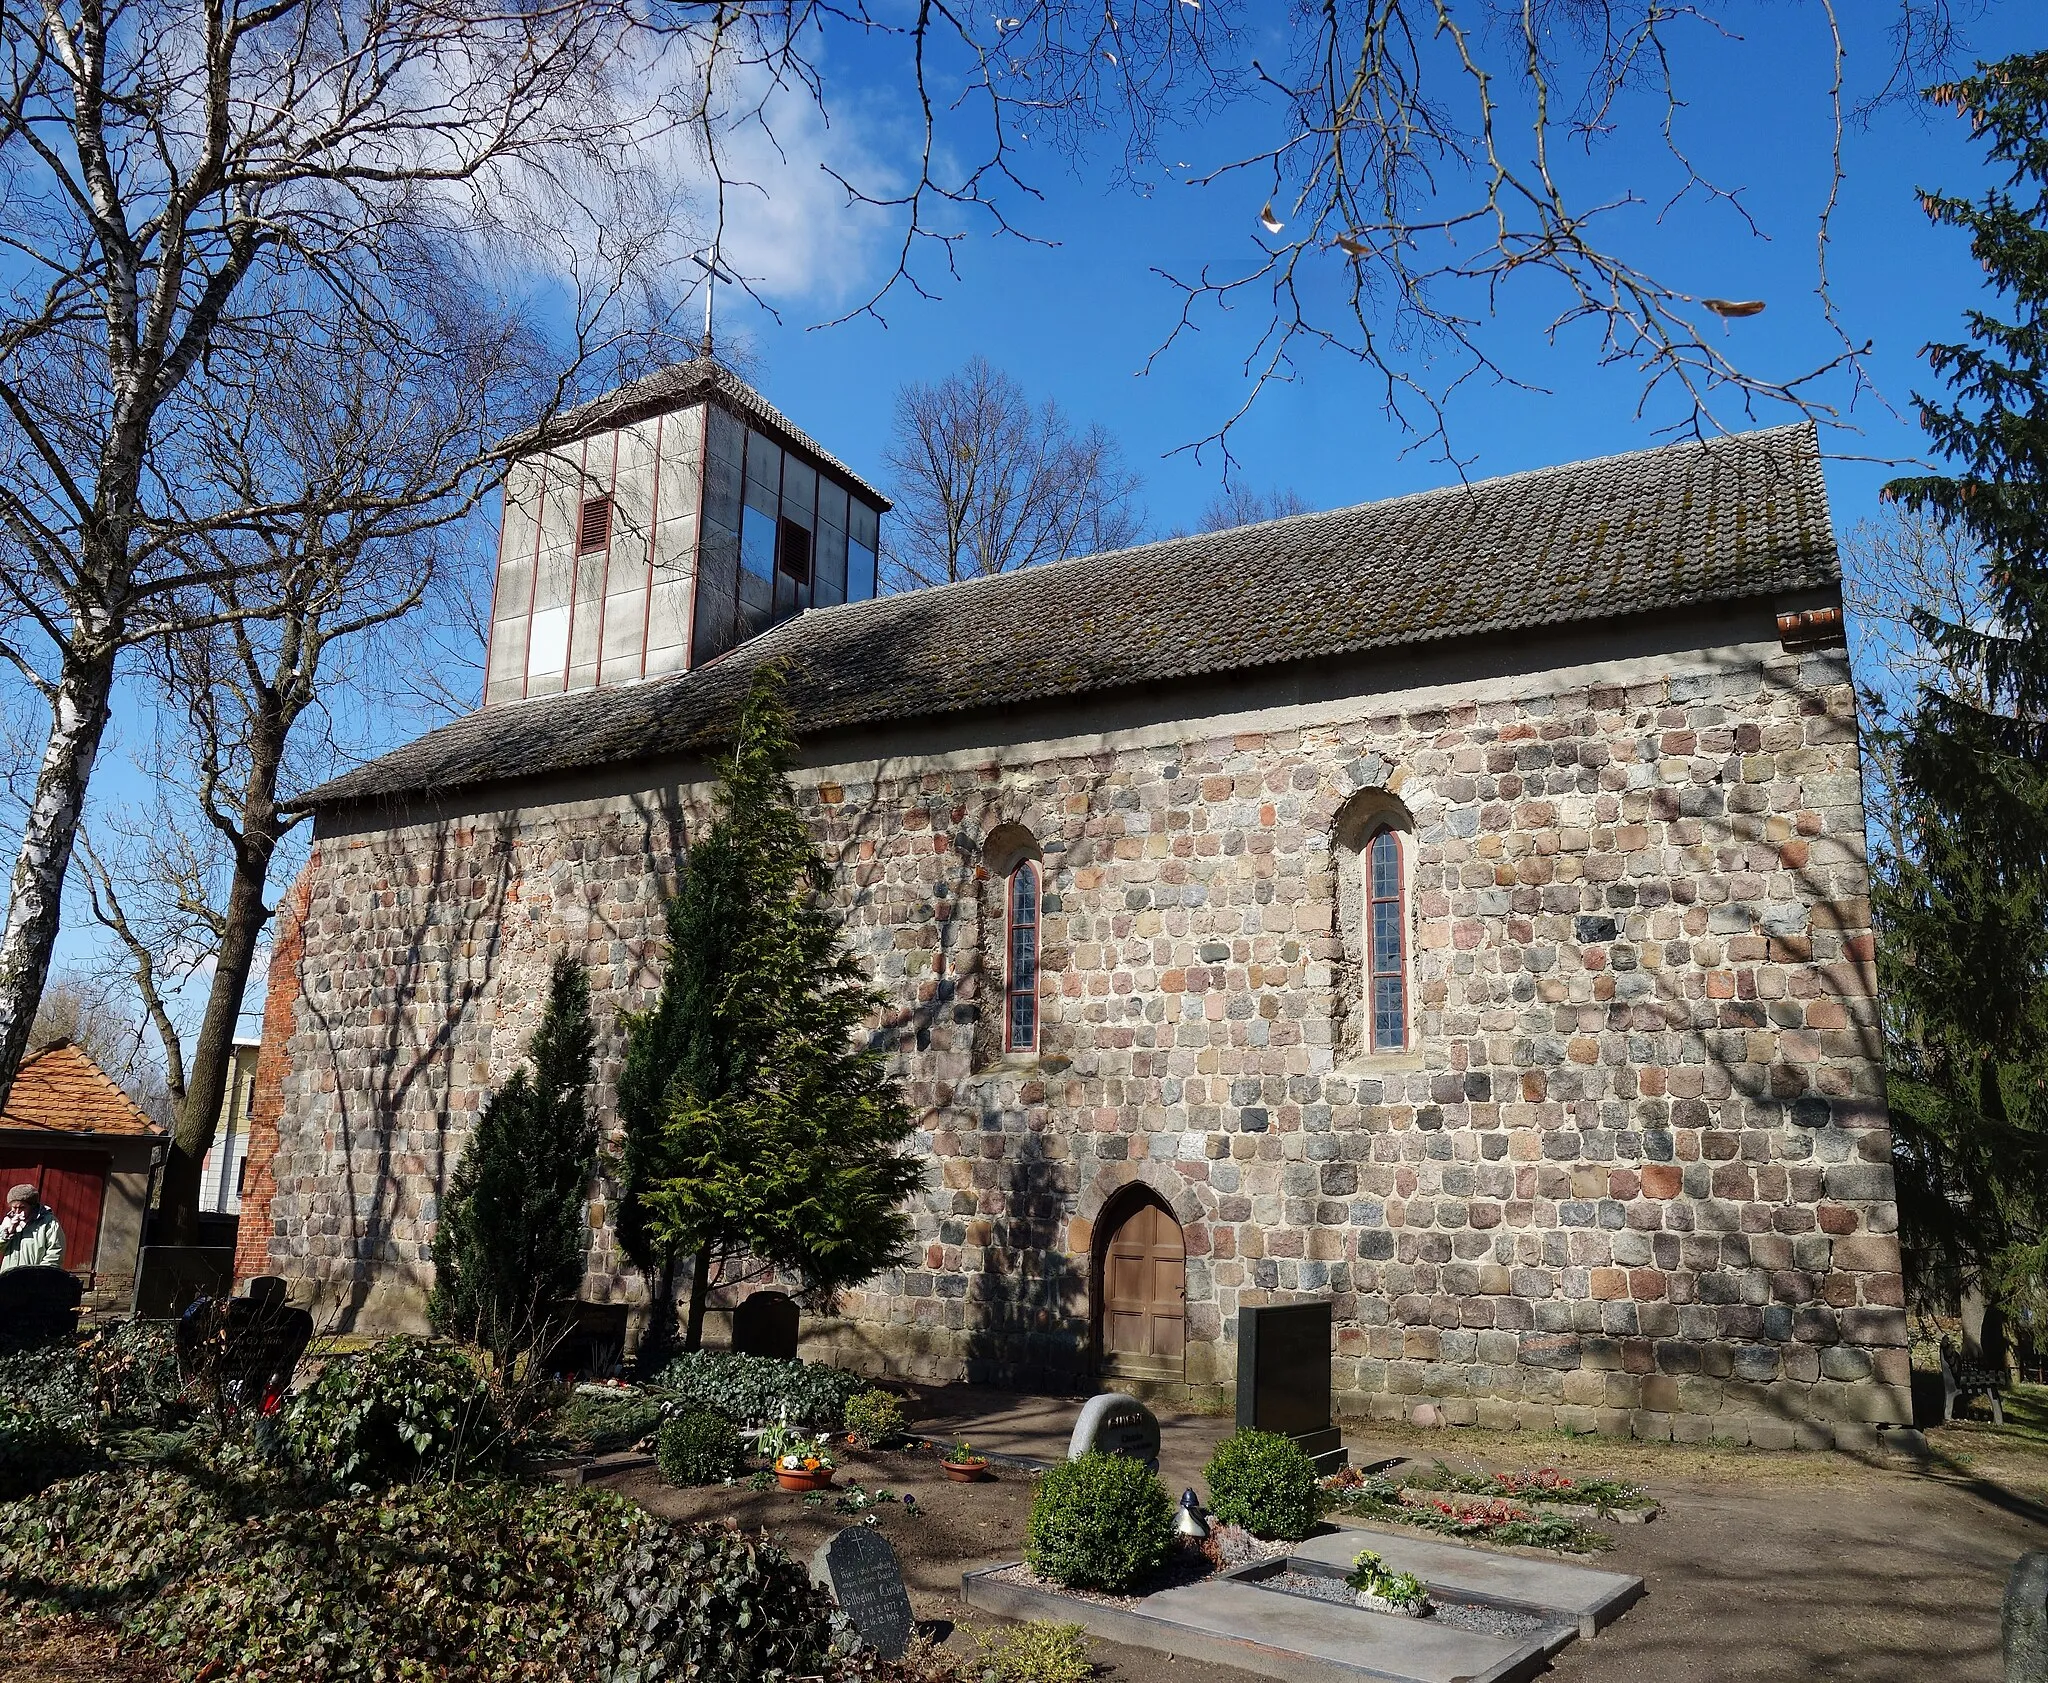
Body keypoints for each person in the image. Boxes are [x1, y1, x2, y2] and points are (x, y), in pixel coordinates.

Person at [0, 1183, 64, 1271]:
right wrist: (10, 1231)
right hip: (9, 1277)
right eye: (14, 1208)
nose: (17, 1212)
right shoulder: (8, 1221)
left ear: (32, 1206)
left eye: (22, 1207)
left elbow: (56, 1251)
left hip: (35, 1279)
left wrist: (40, 1273)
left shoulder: (48, 1222)